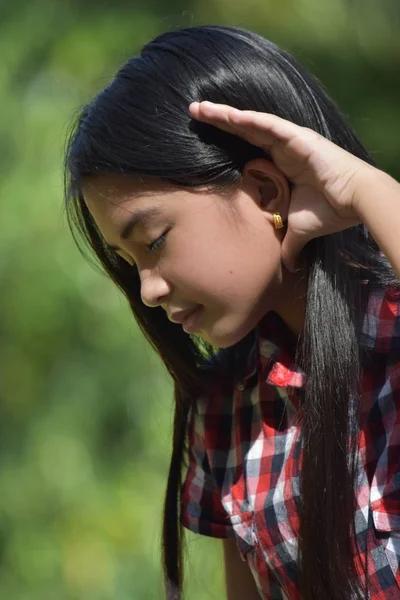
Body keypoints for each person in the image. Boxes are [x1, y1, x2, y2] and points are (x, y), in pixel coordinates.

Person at [63, 25, 400, 600]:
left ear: (266, 192)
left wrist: (364, 189)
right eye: (127, 261)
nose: (146, 290)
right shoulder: (226, 409)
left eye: (154, 240)